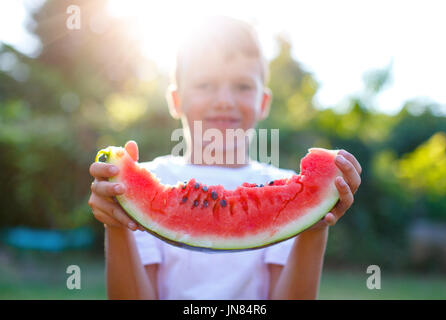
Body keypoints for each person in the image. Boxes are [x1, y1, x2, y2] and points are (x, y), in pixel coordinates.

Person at [88, 16, 362, 300]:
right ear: (176, 100)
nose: (224, 100)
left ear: (263, 102)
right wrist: (116, 225)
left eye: (243, 86)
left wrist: (315, 225)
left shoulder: (282, 184)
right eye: (205, 85)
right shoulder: (138, 189)